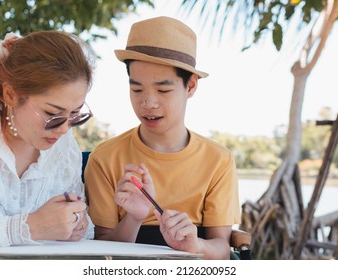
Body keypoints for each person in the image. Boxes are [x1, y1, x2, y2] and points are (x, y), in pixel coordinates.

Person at [85, 16, 240, 260]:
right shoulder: (104, 159)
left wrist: (195, 245)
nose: (147, 102)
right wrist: (134, 217)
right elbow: (100, 256)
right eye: (136, 89)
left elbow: (222, 249)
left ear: (190, 86)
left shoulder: (218, 161)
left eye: (163, 90)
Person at [0, 31, 95, 257]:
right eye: (53, 114)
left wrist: (78, 224)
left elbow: (87, 231)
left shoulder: (65, 151)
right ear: (11, 94)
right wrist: (26, 227)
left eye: (75, 114)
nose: (64, 129)